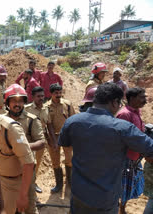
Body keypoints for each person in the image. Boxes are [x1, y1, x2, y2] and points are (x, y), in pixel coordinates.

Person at [58, 82, 153, 214]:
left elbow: (65, 146)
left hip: (78, 194)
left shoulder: (72, 121)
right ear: (114, 102)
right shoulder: (123, 128)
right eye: (119, 104)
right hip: (104, 199)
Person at [0, 108, 36, 213]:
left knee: (25, 210)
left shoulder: (10, 129)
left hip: (16, 181)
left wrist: (23, 195)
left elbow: (29, 163)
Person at [3, 84, 44, 213]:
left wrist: (21, 148)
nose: (17, 104)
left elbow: (42, 142)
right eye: (14, 101)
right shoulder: (1, 120)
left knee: (29, 206)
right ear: (7, 103)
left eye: (20, 101)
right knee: (8, 206)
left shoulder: (31, 120)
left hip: (26, 171)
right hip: (6, 172)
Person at [116, 87, 147, 214]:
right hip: (126, 157)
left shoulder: (136, 112)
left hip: (134, 156)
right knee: (122, 187)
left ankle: (121, 209)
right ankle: (120, 210)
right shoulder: (125, 114)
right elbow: (121, 139)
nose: (145, 100)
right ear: (132, 99)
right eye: (142, 97)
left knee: (129, 186)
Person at [46, 83, 75, 193]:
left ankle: (70, 182)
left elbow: (73, 119)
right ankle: (58, 184)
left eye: (60, 92)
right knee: (55, 161)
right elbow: (47, 124)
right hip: (53, 137)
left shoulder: (67, 104)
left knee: (69, 160)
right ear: (51, 94)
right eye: (56, 93)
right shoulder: (47, 107)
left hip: (67, 136)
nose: (58, 95)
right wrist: (52, 140)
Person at [25, 86, 53, 193]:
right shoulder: (27, 109)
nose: (41, 98)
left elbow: (48, 124)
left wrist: (51, 140)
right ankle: (26, 184)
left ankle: (33, 182)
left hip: (41, 141)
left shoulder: (46, 109)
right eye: (38, 96)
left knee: (37, 164)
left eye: (42, 96)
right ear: (33, 97)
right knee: (29, 163)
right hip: (29, 141)